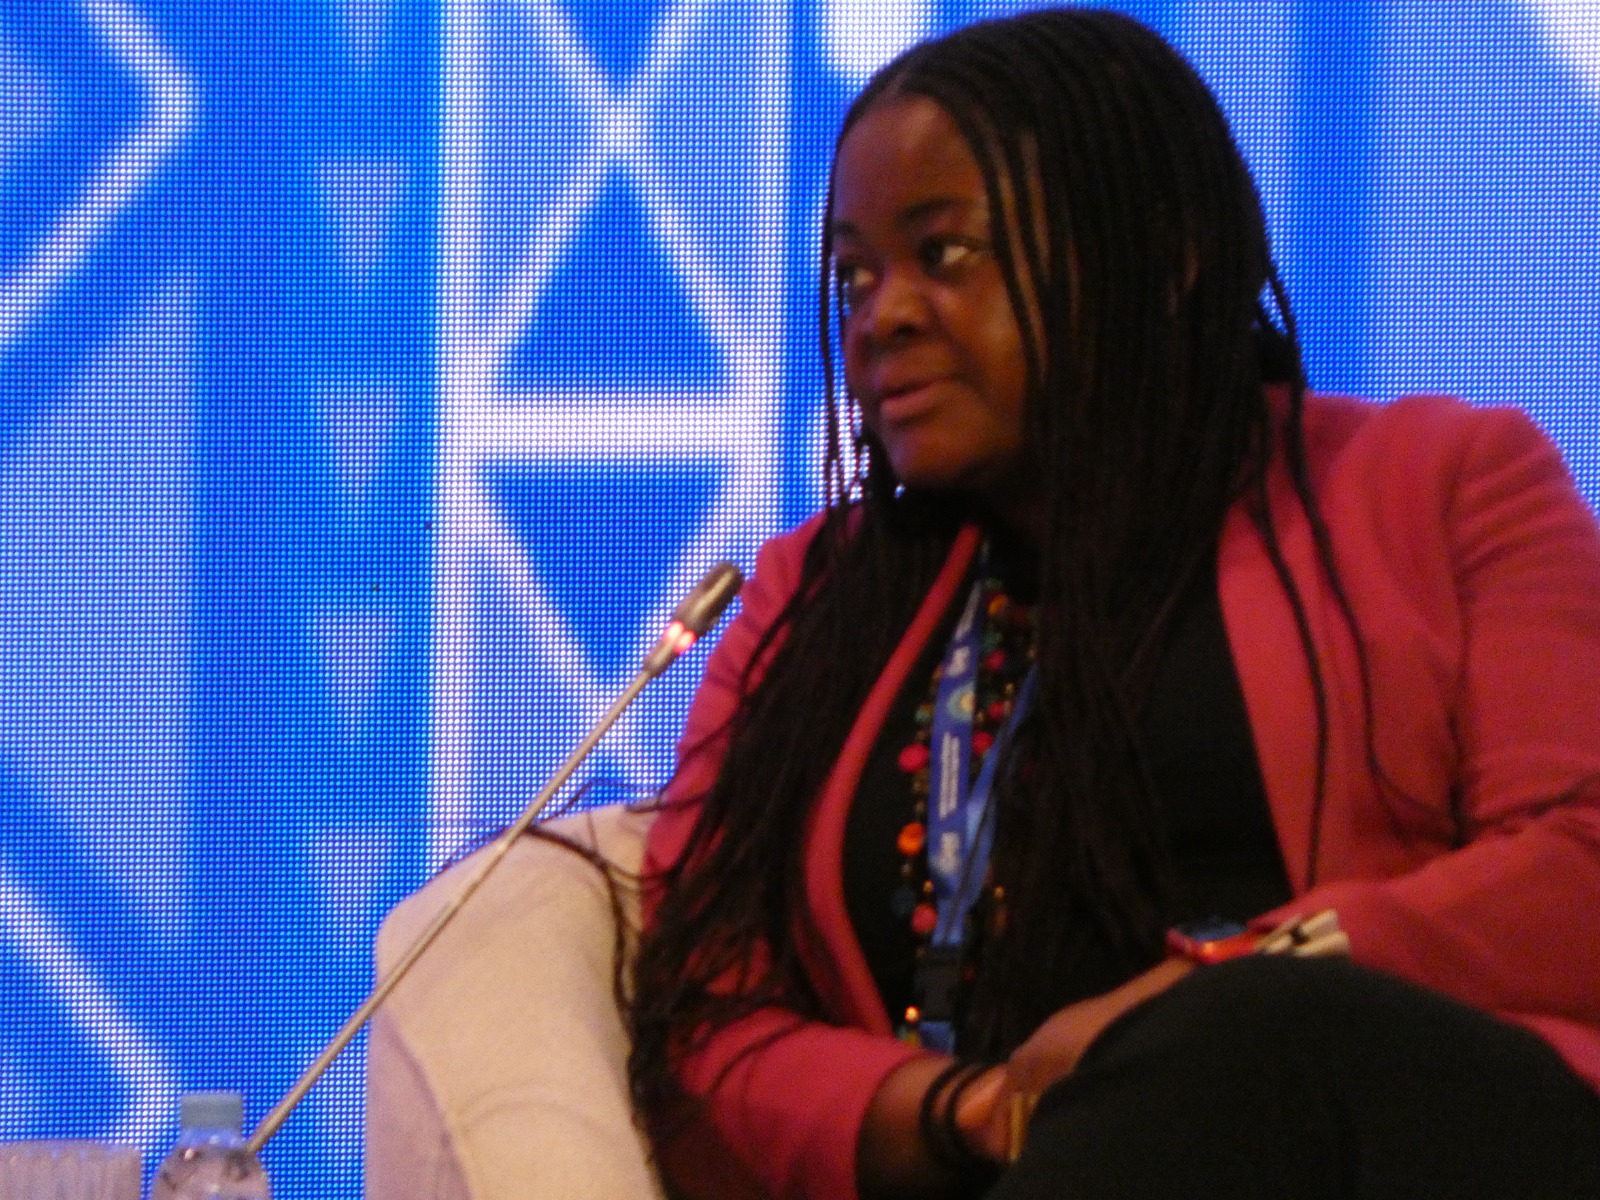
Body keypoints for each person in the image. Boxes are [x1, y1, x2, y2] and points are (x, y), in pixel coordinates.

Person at [626, 9, 1600, 1198]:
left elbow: (1577, 867)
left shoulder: (1440, 485)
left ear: (1165, 253)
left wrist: (1216, 991)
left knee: (1255, 1041)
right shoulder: (811, 599)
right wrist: (961, 1111)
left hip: (1400, 1147)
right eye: (853, 276)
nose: (882, 315)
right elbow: (701, 1012)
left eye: (944, 254)